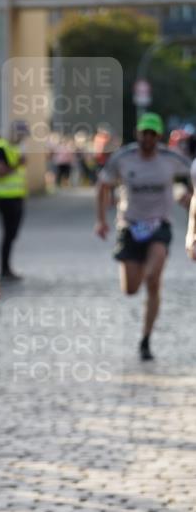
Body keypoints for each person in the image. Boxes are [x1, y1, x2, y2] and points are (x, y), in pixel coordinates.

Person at [96, 112, 193, 361]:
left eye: (152, 134)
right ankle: (145, 280)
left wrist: (189, 199)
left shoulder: (171, 159)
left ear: (158, 136)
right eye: (143, 133)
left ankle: (146, 339)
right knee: (130, 288)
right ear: (137, 134)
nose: (147, 138)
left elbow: (192, 178)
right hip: (130, 225)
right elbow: (103, 184)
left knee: (153, 278)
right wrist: (101, 220)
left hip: (160, 225)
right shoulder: (123, 158)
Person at [0, 121, 28, 280]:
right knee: (8, 233)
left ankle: (6, 267)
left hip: (17, 196)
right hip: (4, 197)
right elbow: (0, 172)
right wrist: (18, 164)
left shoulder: (15, 148)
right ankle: (4, 268)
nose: (23, 138)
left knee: (12, 234)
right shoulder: (0, 147)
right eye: (21, 134)